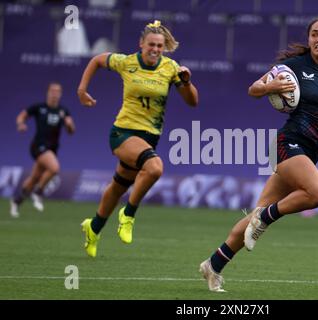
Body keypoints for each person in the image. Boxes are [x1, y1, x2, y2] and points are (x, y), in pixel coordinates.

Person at [199, 16, 318, 292]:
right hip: (288, 143)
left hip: (309, 152)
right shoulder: (293, 67)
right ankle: (266, 218)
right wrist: (271, 87)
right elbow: (253, 89)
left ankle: (213, 265)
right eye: (314, 34)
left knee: (251, 219)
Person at [77, 20, 198, 258]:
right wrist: (82, 90)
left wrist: (186, 82)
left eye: (159, 46)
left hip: (149, 138)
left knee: (118, 185)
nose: (155, 49)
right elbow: (97, 60)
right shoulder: (127, 62)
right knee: (154, 168)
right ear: (141, 44)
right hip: (123, 133)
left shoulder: (170, 68)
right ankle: (128, 214)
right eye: (151, 44)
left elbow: (192, 101)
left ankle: (94, 227)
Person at [10, 82, 76, 218]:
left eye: (57, 91)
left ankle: (16, 202)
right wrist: (20, 124)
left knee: (34, 178)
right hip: (38, 146)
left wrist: (69, 125)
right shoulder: (39, 108)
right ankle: (38, 192)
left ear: (60, 94)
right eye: (52, 91)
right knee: (54, 168)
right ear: (48, 92)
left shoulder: (63, 111)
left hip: (52, 149)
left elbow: (71, 131)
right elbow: (22, 115)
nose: (54, 94)